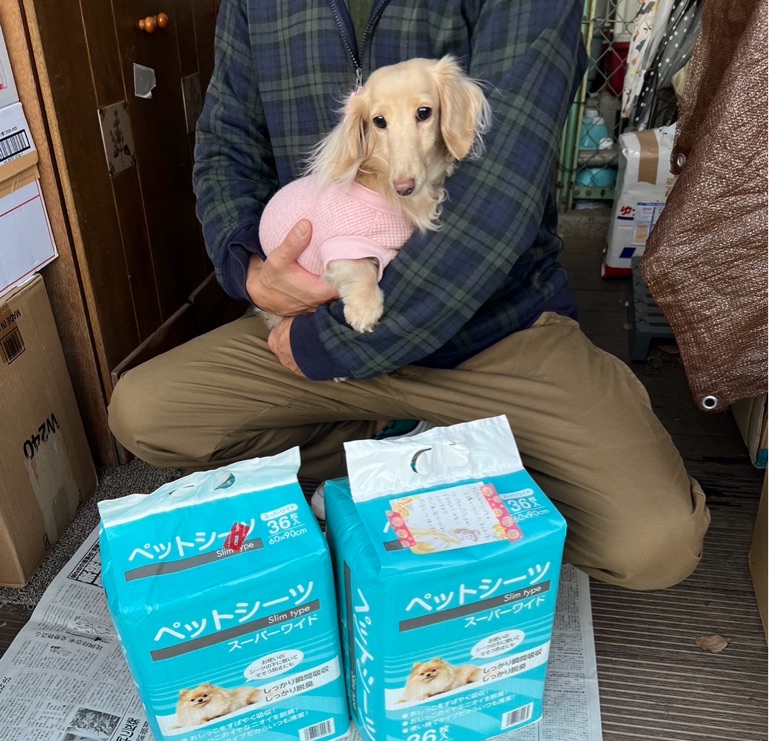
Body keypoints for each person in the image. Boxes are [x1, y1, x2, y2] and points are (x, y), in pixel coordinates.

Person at [107, 0, 709, 591]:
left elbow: (501, 186)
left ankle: (440, 447)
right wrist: (253, 271)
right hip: (325, 312)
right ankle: (400, 436)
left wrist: (329, 344)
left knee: (654, 544)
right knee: (146, 415)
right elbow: (227, 146)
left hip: (490, 332)